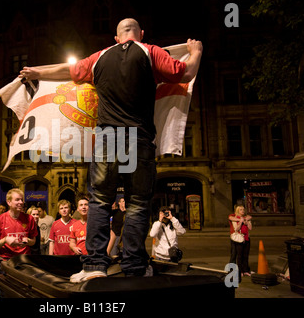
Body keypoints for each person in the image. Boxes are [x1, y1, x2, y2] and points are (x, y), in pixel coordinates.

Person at [20, 18, 202, 281]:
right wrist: (196, 52)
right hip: (138, 137)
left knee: (100, 202)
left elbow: (69, 70)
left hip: (108, 138)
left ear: (116, 38)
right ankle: (135, 267)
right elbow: (185, 73)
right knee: (138, 204)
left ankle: (94, 266)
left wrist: (37, 72)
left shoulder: (99, 57)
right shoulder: (151, 52)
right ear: (141, 34)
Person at [0, 188, 38, 260]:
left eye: (22, 200)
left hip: (24, 259)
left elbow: (33, 241)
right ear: (9, 202)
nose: (21, 202)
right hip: (5, 260)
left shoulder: (29, 218)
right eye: (17, 200)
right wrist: (5, 240)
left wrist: (28, 241)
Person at [228, 205, 253, 279]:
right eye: (241, 209)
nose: (243, 211)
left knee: (246, 255)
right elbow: (236, 228)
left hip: (246, 238)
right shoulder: (235, 218)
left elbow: (250, 228)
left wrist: (246, 222)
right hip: (239, 239)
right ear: (238, 211)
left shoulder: (246, 218)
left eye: (243, 209)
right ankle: (239, 271)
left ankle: (245, 270)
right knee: (238, 255)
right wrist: (240, 221)